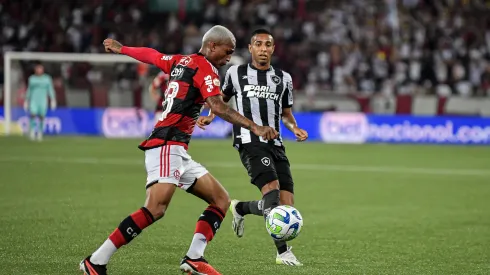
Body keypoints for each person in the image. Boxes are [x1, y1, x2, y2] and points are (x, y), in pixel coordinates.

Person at [80, 25, 278, 275]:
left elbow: (152, 55)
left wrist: (123, 49)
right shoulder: (206, 69)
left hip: (178, 150)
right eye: (227, 51)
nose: (229, 57)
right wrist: (255, 127)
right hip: (166, 144)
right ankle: (96, 261)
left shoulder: (180, 61)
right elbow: (217, 106)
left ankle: (194, 258)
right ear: (212, 46)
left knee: (220, 200)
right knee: (155, 208)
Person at [197, 29, 308, 266]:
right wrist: (210, 116)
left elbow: (286, 114)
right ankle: (283, 253)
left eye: (268, 45)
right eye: (259, 44)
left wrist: (294, 128)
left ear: (273, 49)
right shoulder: (236, 73)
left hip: (276, 143)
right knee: (272, 194)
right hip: (249, 142)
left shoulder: (283, 78)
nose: (263, 49)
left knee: (286, 205)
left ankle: (240, 208)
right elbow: (221, 101)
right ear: (250, 48)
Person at [23, 63, 56, 141]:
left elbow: (50, 89)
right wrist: (26, 100)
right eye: (37, 69)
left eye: (40, 69)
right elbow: (29, 90)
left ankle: (40, 132)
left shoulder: (47, 79)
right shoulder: (32, 78)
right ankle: (32, 131)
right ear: (35, 70)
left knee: (41, 116)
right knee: (33, 115)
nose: (39, 70)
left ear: (43, 70)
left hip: (43, 100)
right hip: (34, 100)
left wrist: (53, 99)